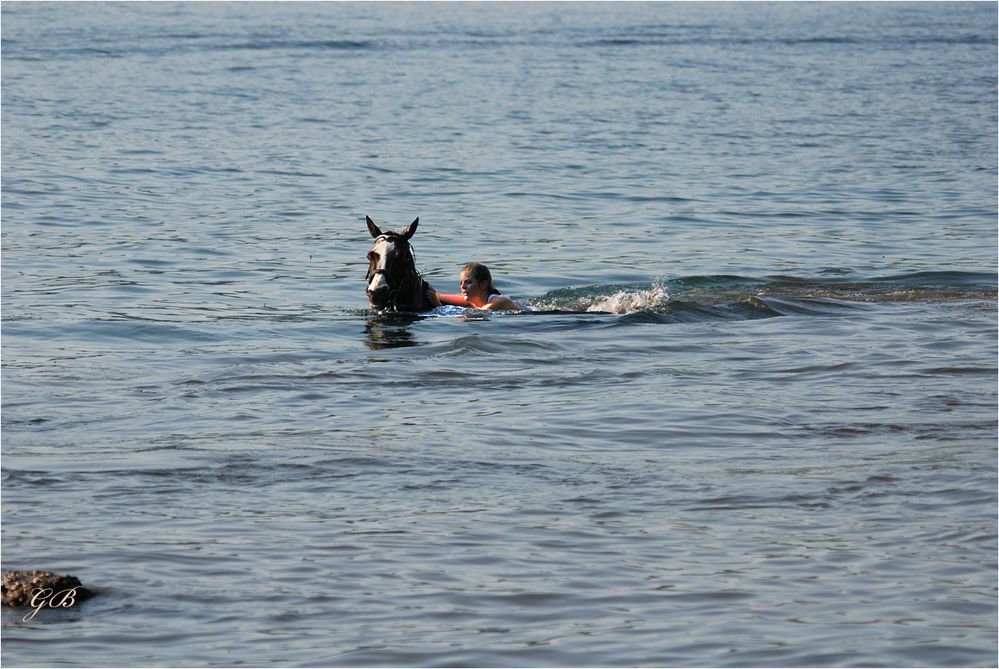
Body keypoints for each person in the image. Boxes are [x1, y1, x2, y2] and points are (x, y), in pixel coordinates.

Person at [437, 263, 528, 311]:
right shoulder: (470, 300)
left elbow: (478, 313)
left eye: (468, 282)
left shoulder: (498, 301)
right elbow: (440, 296)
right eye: (460, 283)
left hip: (533, 316)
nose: (463, 287)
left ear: (483, 284)